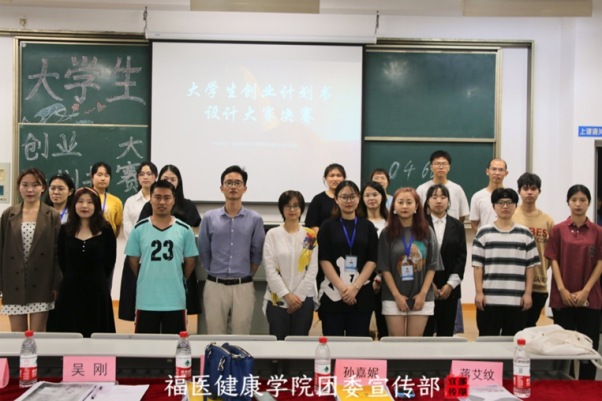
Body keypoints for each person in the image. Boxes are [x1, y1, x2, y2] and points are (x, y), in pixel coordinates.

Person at [125, 180, 198, 334]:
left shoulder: (185, 230)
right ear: (150, 199)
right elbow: (133, 262)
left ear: (174, 200)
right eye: (157, 197)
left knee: (174, 345)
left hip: (175, 300)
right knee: (145, 345)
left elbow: (190, 263)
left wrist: (176, 278)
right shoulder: (138, 229)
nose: (162, 202)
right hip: (146, 300)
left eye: (167, 197)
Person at [545, 185, 602, 380]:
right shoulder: (558, 230)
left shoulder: (598, 231)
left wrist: (586, 291)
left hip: (590, 297)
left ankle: (587, 387)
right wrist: (562, 289)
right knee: (563, 347)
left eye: (582, 200)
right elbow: (553, 260)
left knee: (589, 346)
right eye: (574, 200)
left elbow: (600, 262)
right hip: (563, 297)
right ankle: (565, 385)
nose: (578, 204)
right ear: (568, 202)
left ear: (589, 203)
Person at [199, 165, 265, 335]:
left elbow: (257, 253)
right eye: (228, 183)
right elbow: (204, 250)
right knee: (214, 334)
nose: (233, 186)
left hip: (243, 285)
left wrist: (246, 273)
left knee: (241, 334)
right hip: (215, 285)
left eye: (237, 183)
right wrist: (214, 270)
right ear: (222, 188)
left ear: (245, 188)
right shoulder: (209, 218)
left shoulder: (255, 219)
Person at [135, 164, 202, 318]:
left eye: (173, 179)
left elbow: (196, 228)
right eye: (165, 179)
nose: (169, 182)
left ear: (179, 181)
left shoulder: (188, 205)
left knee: (178, 312)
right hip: (153, 268)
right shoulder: (150, 206)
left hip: (179, 262)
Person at [0, 168, 61, 332]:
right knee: (17, 335)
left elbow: (58, 254)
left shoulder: (52, 215)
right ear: (18, 187)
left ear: (43, 188)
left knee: (37, 334)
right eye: (25, 185)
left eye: (35, 185)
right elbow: (1, 250)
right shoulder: (8, 214)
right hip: (14, 281)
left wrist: (56, 284)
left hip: (42, 281)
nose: (30, 190)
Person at [473, 188, 539, 336]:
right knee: (487, 341)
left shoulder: (525, 233)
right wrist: (479, 293)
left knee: (513, 342)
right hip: (489, 300)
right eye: (500, 203)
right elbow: (478, 267)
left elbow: (530, 267)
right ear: (493, 206)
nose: (505, 206)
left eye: (509, 203)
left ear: (515, 206)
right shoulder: (483, 233)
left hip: (517, 300)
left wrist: (528, 293)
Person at [378, 188, 442, 337]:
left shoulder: (427, 231)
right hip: (393, 296)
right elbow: (384, 268)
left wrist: (423, 294)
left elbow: (432, 265)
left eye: (409, 202)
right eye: (400, 202)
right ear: (394, 206)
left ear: (417, 206)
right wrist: (397, 296)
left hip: (421, 295)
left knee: (415, 343)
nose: (404, 206)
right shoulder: (386, 233)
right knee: (396, 342)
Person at [317, 180, 378, 337]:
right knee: (333, 343)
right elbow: (324, 259)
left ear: (359, 198)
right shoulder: (327, 226)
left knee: (357, 345)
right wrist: (342, 289)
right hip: (333, 294)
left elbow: (372, 260)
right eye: (344, 197)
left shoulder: (368, 226)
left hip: (361, 295)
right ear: (336, 199)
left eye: (352, 196)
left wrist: (355, 288)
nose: (348, 201)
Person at [53, 187, 116, 337]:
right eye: (80, 201)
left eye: (90, 202)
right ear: (74, 204)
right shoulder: (65, 229)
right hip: (70, 289)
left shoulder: (106, 230)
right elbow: (62, 260)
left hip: (97, 290)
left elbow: (109, 262)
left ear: (96, 206)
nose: (84, 206)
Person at [263, 190, 318, 340]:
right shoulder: (272, 234)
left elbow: (312, 269)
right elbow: (270, 269)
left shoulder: (310, 235)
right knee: (278, 345)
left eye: (296, 205)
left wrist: (297, 297)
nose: (292, 209)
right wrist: (287, 295)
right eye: (288, 206)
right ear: (282, 209)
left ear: (301, 209)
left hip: (304, 300)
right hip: (278, 299)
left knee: (300, 346)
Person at [422, 185, 467, 337]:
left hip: (450, 289)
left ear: (448, 201)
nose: (438, 201)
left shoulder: (457, 225)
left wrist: (450, 285)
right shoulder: (420, 224)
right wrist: (429, 285)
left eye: (443, 197)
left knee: (446, 333)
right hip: (425, 287)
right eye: (434, 197)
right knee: (425, 333)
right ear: (428, 201)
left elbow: (461, 257)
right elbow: (417, 257)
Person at [512, 173, 555, 328]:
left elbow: (552, 253)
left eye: (533, 188)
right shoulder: (512, 217)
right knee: (514, 328)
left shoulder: (548, 220)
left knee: (530, 327)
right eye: (525, 189)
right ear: (519, 192)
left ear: (539, 192)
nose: (529, 192)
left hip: (539, 282)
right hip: (515, 283)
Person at [118, 161, 158, 321]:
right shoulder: (131, 201)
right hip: (136, 254)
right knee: (135, 292)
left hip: (156, 253)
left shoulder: (160, 200)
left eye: (149, 174)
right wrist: (140, 245)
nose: (145, 177)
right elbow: (128, 226)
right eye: (141, 174)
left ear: (155, 176)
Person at [358, 181, 389, 338]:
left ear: (382, 196)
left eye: (375, 194)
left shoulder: (391, 221)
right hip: (362, 280)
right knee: (362, 328)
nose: (371, 198)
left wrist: (381, 277)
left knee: (385, 328)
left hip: (388, 279)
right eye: (367, 195)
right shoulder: (357, 221)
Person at [416, 151, 470, 222]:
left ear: (449, 167)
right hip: (428, 228)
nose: (441, 167)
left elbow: (462, 215)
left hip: (452, 228)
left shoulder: (457, 189)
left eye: (444, 164)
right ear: (431, 167)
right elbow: (416, 213)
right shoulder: (422, 189)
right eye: (437, 164)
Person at [305, 163, 346, 234]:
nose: (335, 179)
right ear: (325, 178)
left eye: (338, 175)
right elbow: (312, 224)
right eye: (332, 176)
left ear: (344, 178)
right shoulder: (318, 199)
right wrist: (324, 237)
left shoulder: (349, 199)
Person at [470, 158, 508, 232]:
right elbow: (474, 223)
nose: (497, 173)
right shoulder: (477, 197)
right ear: (487, 171)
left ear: (506, 173)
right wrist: (481, 237)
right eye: (494, 169)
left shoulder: (512, 197)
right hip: (486, 238)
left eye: (501, 170)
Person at [90, 162, 123, 237]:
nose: (103, 179)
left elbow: (117, 226)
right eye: (99, 175)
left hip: (107, 239)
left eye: (106, 176)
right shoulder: (84, 198)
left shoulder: (116, 201)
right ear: (92, 177)